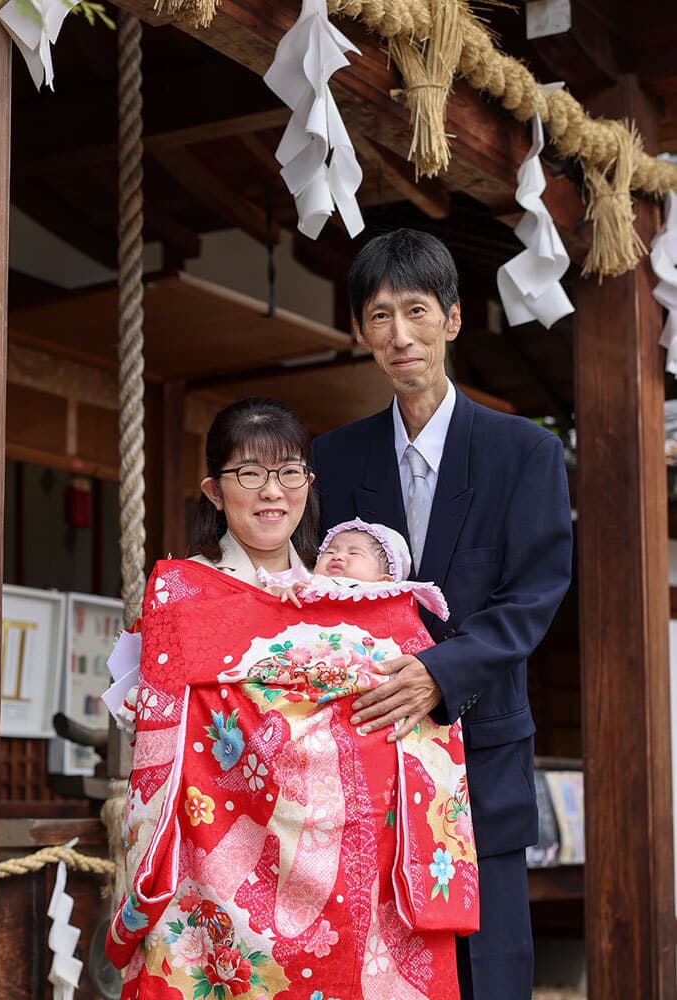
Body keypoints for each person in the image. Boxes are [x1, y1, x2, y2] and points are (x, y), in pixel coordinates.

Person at [106, 396, 479, 1000]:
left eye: (288, 473)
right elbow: (162, 739)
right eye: (249, 474)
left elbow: (411, 708)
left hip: (356, 872)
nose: (270, 491)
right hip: (215, 868)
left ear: (308, 482)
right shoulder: (182, 590)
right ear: (214, 488)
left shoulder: (361, 596)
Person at [311, 229, 573, 1000]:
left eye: (416, 309)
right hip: (364, 754)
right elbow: (307, 590)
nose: (399, 334)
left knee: (487, 973)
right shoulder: (334, 457)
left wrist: (437, 671)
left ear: (452, 320)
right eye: (379, 315)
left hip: (482, 749)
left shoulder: (524, 451)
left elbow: (534, 596)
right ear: (362, 333)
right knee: (373, 968)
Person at [260, 517, 450, 627]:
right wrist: (286, 593)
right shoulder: (306, 582)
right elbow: (268, 598)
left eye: (354, 553)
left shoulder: (382, 598)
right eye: (331, 551)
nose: (338, 556)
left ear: (384, 580)